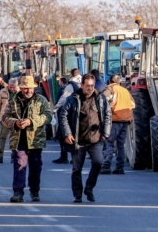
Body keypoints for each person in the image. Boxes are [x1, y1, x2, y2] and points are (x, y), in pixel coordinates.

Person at [59, 73, 111, 203]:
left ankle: (89, 188)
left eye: (92, 85)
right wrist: (67, 134)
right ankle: (77, 194)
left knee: (98, 163)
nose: (90, 88)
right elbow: (63, 116)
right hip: (78, 140)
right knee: (77, 169)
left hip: (96, 139)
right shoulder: (73, 99)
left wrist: (106, 133)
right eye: (87, 85)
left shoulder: (100, 98)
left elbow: (108, 114)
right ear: (82, 85)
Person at [2, 75, 53, 203]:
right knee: (19, 165)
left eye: (30, 88)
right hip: (19, 139)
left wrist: (31, 121)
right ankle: (18, 192)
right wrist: (15, 123)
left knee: (35, 167)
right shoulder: (13, 101)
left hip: (36, 140)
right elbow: (5, 118)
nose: (28, 91)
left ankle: (34, 190)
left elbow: (48, 116)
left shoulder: (41, 100)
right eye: (25, 88)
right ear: (21, 88)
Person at [101, 74, 134, 174]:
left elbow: (102, 101)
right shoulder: (125, 91)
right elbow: (133, 104)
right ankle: (120, 167)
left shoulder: (110, 89)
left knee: (109, 143)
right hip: (125, 120)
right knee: (120, 145)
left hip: (114, 120)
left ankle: (106, 166)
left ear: (110, 81)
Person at [0, 78, 19, 164]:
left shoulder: (20, 93)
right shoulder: (2, 92)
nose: (12, 89)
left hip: (16, 118)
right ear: (8, 85)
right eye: (10, 87)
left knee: (15, 138)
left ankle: (14, 155)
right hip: (4, 118)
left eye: (14, 87)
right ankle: (0, 155)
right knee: (3, 137)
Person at [52, 77, 71, 164]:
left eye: (59, 81)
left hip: (63, 114)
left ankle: (64, 156)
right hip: (71, 115)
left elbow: (60, 100)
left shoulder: (63, 90)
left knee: (62, 135)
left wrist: (55, 107)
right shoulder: (76, 87)